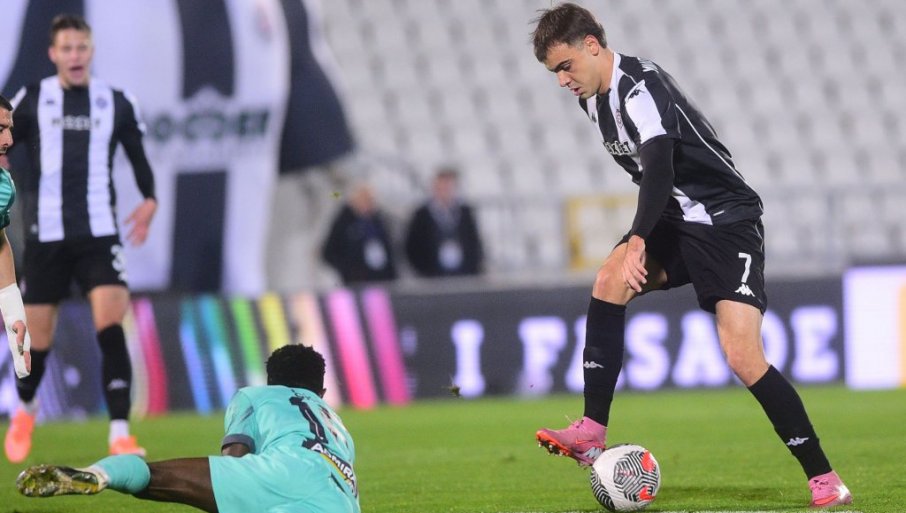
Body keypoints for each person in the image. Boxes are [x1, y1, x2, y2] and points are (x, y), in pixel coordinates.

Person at [529, 3, 851, 509]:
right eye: (554, 72)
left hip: (726, 221)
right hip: (677, 219)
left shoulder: (640, 87)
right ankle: (591, 431)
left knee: (743, 356)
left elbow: (658, 167)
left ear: (591, 45)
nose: (562, 80)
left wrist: (638, 238)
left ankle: (825, 478)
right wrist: (640, 238)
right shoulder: (592, 99)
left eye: (565, 66)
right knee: (609, 280)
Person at [3, 14, 157, 462]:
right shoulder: (33, 98)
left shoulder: (116, 102)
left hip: (99, 235)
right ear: (53, 54)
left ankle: (120, 433)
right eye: (67, 48)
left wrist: (149, 199)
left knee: (110, 326)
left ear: (91, 51)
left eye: (81, 47)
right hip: (46, 237)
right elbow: (6, 139)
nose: (75, 56)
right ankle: (27, 408)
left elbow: (138, 157)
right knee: (35, 343)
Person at [16, 344, 361, 513]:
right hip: (342, 499)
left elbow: (234, 457)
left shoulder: (256, 396)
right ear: (322, 392)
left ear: (271, 381)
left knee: (154, 478)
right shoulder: (338, 424)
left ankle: (97, 475)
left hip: (279, 472)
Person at [0, 94, 31, 380]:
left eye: (9, 129)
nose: (8, 140)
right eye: (0, 130)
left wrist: (14, 316)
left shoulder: (3, 187)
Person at [404, 168, 484, 278]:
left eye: (448, 187)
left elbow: (474, 241)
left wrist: (473, 268)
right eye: (442, 187)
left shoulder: (465, 212)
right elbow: (413, 246)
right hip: (433, 276)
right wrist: (423, 271)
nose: (445, 191)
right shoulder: (421, 214)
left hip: (462, 275)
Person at [321, 181, 398, 286]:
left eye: (370, 200)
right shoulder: (344, 222)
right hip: (355, 283)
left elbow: (389, 250)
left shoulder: (379, 221)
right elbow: (328, 253)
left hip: (381, 281)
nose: (367, 204)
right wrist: (348, 270)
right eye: (364, 199)